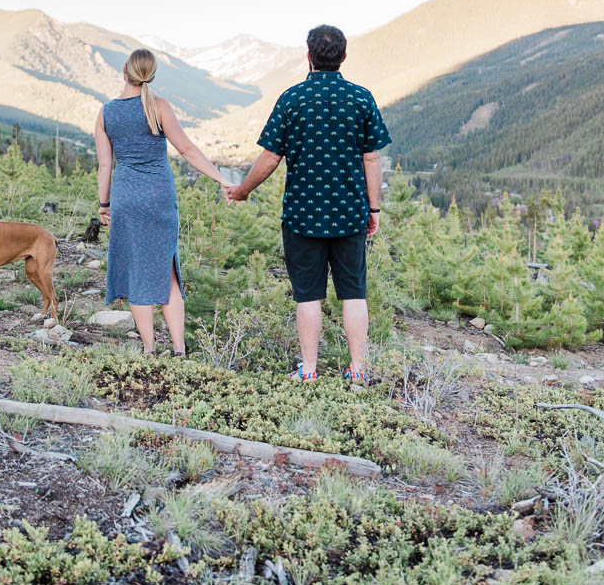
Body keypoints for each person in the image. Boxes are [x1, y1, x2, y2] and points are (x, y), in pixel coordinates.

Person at [225, 24, 391, 383]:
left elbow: (270, 158)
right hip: (350, 213)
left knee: (309, 296)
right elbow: (372, 159)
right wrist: (373, 209)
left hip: (302, 214)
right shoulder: (361, 98)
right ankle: (358, 370)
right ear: (343, 57)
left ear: (309, 56)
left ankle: (309, 370)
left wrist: (243, 190)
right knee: (354, 292)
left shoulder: (292, 99)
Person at [95, 48, 228, 357]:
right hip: (159, 197)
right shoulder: (159, 107)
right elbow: (187, 150)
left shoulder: (106, 113)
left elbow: (105, 166)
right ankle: (179, 350)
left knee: (136, 271)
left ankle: (150, 349)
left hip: (126, 197)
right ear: (151, 75)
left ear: (125, 70)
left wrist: (104, 204)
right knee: (167, 271)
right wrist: (221, 178)